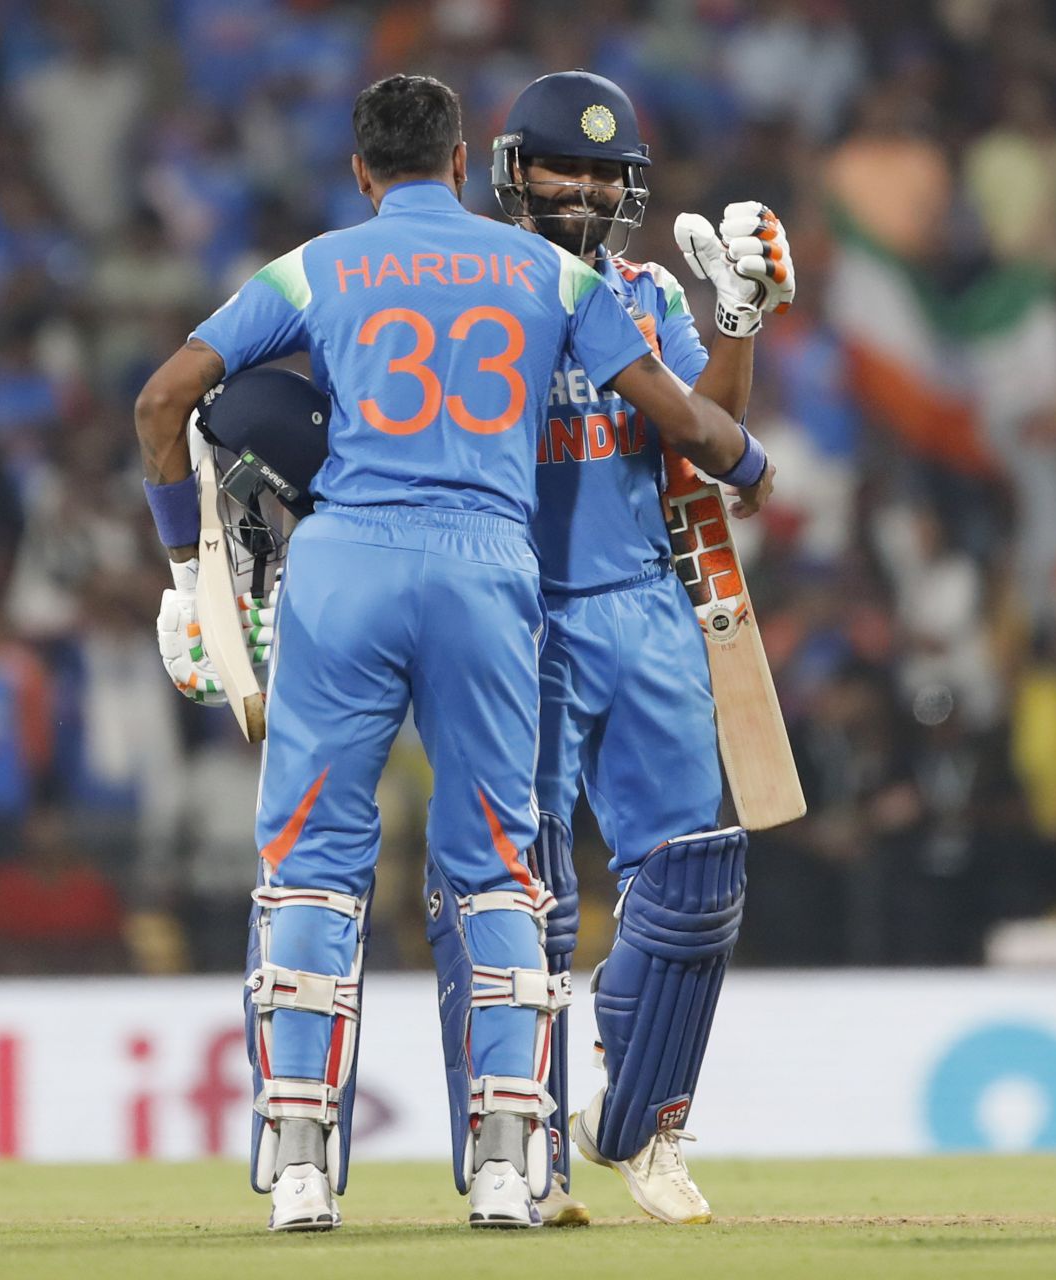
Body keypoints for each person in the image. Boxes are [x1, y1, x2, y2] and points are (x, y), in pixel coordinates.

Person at [133, 73, 771, 1232]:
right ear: (472, 155)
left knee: (313, 864)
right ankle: (511, 1165)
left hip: (347, 566)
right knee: (501, 877)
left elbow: (166, 399)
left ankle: (299, 1166)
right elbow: (681, 422)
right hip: (492, 579)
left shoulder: (316, 263)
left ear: (363, 169)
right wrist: (753, 464)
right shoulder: (556, 274)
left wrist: (190, 578)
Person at [487, 70, 794, 1227]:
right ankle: (526, 1147)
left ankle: (647, 1123)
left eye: (607, 173)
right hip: (521, 608)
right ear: (519, 171)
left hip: (644, 601)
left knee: (702, 875)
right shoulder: (480, 297)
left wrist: (738, 319)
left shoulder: (649, 287)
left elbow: (708, 432)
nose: (586, 188)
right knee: (533, 896)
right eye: (566, 167)